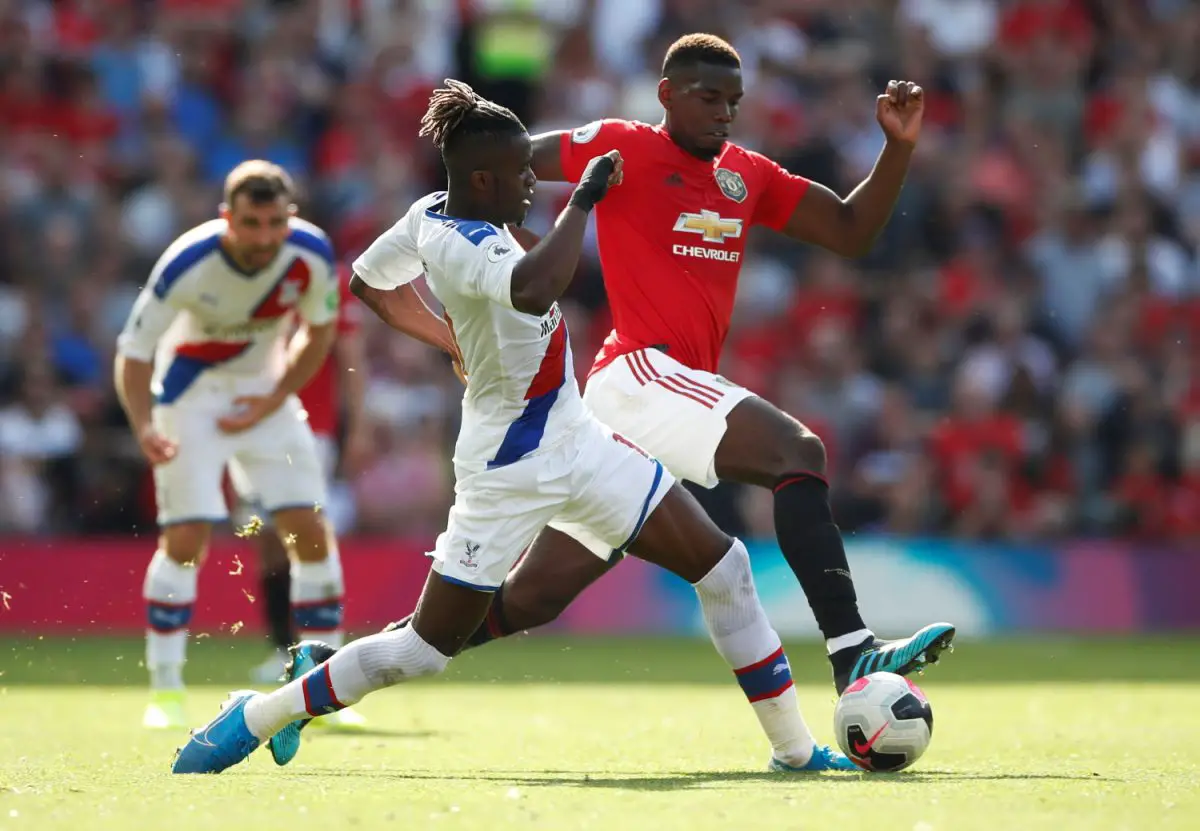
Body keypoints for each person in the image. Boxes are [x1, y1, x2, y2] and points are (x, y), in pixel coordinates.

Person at [171, 81, 856, 776]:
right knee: (423, 651)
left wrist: (448, 339)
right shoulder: (467, 246)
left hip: (580, 441)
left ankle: (795, 751)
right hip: (508, 468)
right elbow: (533, 287)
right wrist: (582, 200)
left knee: (725, 567)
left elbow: (370, 281)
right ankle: (260, 713)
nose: (533, 181)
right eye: (521, 172)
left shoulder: (425, 214)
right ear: (481, 180)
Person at [294, 33, 955, 694]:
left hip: (665, 402)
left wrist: (897, 147)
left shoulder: (748, 175)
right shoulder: (623, 145)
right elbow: (501, 161)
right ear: (666, 95)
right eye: (707, 97)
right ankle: (852, 649)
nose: (723, 112)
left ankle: (331, 668)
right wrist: (460, 235)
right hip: (639, 376)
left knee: (531, 599)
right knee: (797, 451)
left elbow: (849, 230)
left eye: (732, 100)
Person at [114, 161, 351, 729]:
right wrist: (144, 425)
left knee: (310, 530)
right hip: (188, 400)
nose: (264, 237)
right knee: (186, 538)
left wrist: (274, 399)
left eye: (275, 222)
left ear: (289, 216)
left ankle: (328, 690)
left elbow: (319, 332)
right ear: (227, 218)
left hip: (264, 396)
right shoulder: (187, 262)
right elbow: (134, 352)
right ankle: (166, 692)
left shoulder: (312, 254)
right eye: (251, 223)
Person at [240, 262, 370, 731]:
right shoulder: (243, 276)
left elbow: (350, 355)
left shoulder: (328, 280)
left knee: (311, 538)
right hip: (251, 429)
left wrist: (358, 425)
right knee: (268, 542)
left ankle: (323, 661)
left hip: (310, 431)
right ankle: (283, 650)